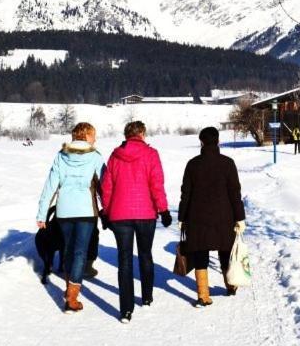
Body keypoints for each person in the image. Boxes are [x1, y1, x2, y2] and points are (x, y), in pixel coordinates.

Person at [101, 121, 172, 324]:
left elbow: (108, 186)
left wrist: (106, 211)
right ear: (142, 133)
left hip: (120, 214)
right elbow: (156, 183)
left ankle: (126, 310)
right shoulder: (151, 154)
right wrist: (163, 209)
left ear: (126, 134)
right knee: (145, 254)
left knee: (124, 260)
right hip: (145, 213)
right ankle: (147, 296)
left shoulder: (115, 155)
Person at [35, 122, 105, 313]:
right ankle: (71, 296)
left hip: (64, 211)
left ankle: (70, 294)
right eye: (94, 135)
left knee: (67, 249)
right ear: (87, 136)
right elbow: (105, 185)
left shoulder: (61, 156)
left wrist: (42, 214)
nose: (96, 139)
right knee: (80, 252)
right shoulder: (95, 156)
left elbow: (49, 186)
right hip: (86, 211)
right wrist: (108, 208)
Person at [178, 126, 246, 307]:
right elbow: (235, 193)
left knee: (200, 255)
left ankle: (203, 295)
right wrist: (240, 218)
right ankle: (230, 285)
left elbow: (186, 193)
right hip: (224, 217)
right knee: (225, 251)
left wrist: (181, 217)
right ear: (218, 141)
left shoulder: (192, 164)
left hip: (197, 218)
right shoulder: (228, 163)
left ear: (201, 142)